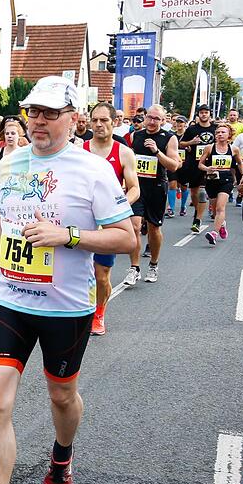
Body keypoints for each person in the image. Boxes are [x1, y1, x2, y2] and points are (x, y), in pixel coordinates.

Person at [0, 77, 134, 484]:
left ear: (72, 118)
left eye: (49, 112)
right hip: (12, 299)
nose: (38, 120)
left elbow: (126, 238)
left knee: (62, 397)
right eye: (32, 111)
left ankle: (62, 454)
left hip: (66, 308)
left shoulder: (94, 170)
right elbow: (4, 214)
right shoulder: (12, 160)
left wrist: (69, 237)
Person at [82, 102, 139, 336]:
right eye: (94, 120)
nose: (98, 125)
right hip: (82, 221)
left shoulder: (123, 152)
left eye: (104, 120)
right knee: (77, 269)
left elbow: (134, 188)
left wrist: (117, 208)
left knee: (101, 273)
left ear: (114, 122)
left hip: (108, 224)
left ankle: (99, 312)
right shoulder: (79, 149)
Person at [125, 104, 179, 285]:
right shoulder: (135, 136)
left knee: (154, 228)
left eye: (157, 118)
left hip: (157, 187)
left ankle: (153, 264)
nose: (152, 121)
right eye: (149, 117)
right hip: (137, 188)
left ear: (163, 121)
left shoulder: (169, 138)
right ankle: (134, 267)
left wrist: (157, 151)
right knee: (134, 226)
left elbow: (174, 165)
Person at [198, 123, 243, 245]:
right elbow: (200, 164)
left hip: (226, 180)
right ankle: (222, 224)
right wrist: (208, 168)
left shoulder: (233, 149)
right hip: (212, 179)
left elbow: (239, 163)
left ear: (229, 135)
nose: (220, 134)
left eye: (223, 132)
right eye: (217, 132)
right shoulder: (209, 148)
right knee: (214, 211)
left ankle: (214, 233)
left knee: (220, 208)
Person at [181, 104, 216, 233]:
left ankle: (198, 219)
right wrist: (191, 143)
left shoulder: (215, 128)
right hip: (195, 164)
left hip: (210, 165)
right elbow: (181, 143)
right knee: (194, 193)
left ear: (209, 114)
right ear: (198, 114)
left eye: (206, 112)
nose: (204, 114)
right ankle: (198, 210)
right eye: (201, 112)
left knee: (202, 193)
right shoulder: (192, 129)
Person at [169, 116, 191, 217]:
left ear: (185, 124)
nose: (178, 125)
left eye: (181, 123)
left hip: (185, 164)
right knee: (172, 184)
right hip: (173, 163)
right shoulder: (171, 136)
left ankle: (183, 206)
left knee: (184, 186)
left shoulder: (188, 136)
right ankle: (171, 208)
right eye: (177, 122)